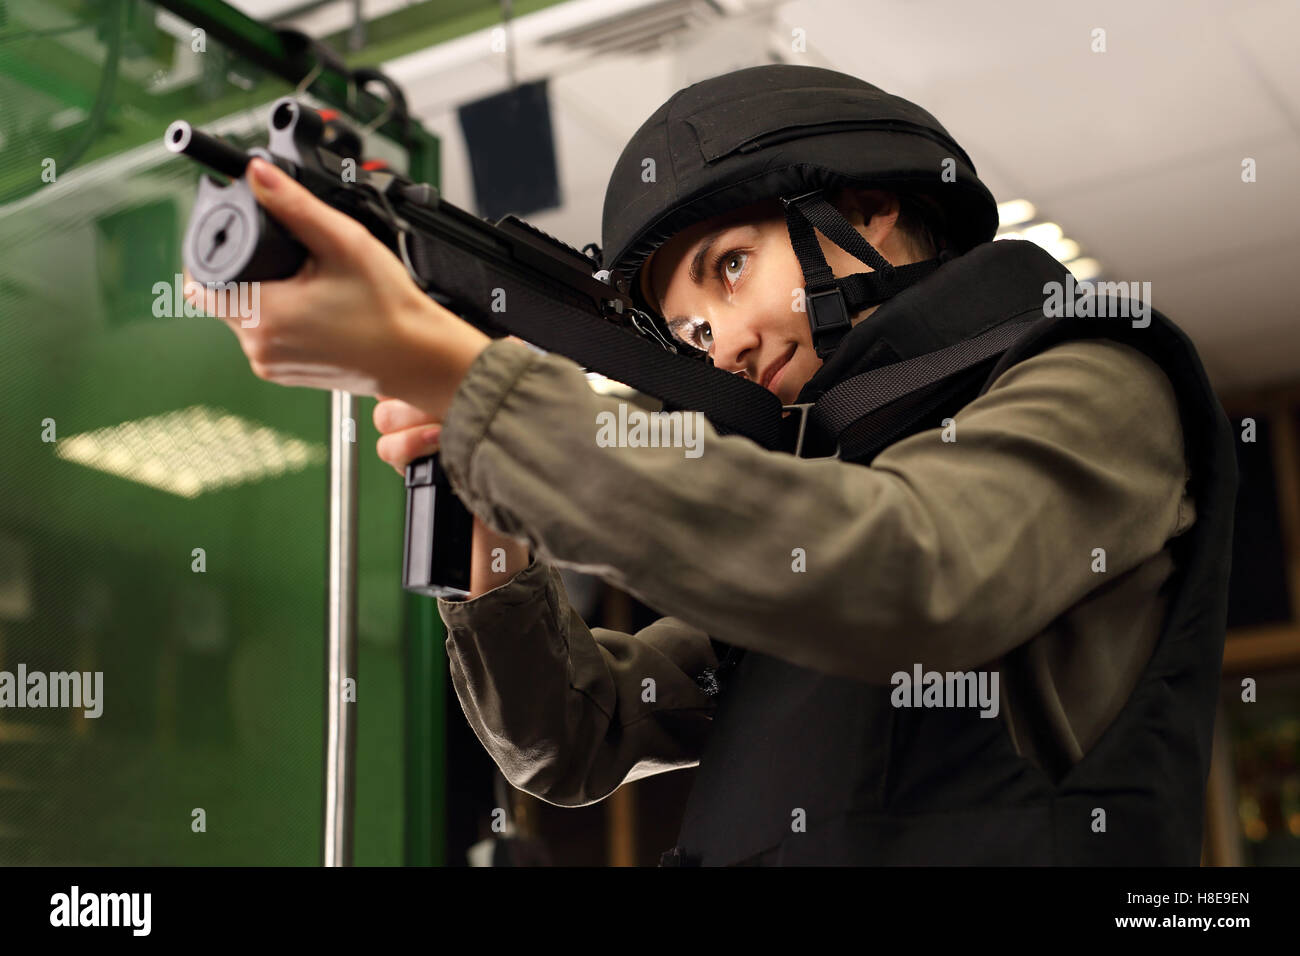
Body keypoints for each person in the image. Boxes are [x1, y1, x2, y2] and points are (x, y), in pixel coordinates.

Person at [197, 65, 1237, 865]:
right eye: (688, 333)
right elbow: (574, 738)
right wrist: (496, 530)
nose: (724, 342)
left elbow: (915, 569)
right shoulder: (819, 484)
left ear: (867, 208)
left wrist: (473, 384)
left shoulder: (1095, 377)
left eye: (730, 268)